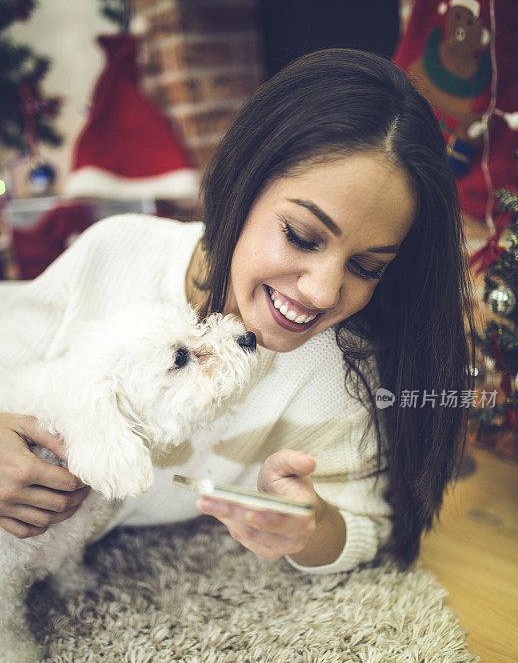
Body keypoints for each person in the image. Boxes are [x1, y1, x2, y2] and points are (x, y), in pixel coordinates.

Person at [0, 48, 476, 574]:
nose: (321, 293)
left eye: (366, 267)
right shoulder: (116, 251)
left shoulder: (336, 374)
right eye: (301, 236)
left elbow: (369, 522)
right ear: (242, 186)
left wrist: (309, 526)